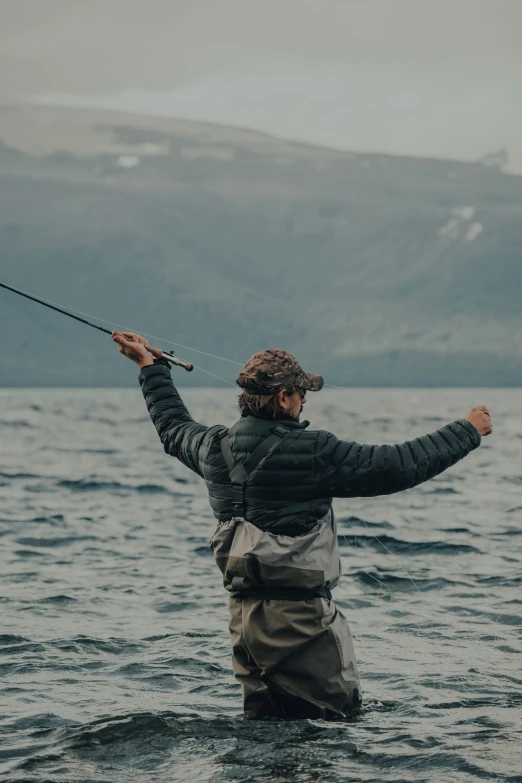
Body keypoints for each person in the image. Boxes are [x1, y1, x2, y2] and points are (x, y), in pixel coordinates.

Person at [112, 330, 492, 720]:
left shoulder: (214, 447)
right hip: (301, 625)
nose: (305, 399)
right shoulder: (313, 450)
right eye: (301, 392)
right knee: (330, 729)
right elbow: (396, 466)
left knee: (265, 735)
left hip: (244, 621)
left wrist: (151, 368)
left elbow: (173, 428)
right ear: (283, 398)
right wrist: (466, 431)